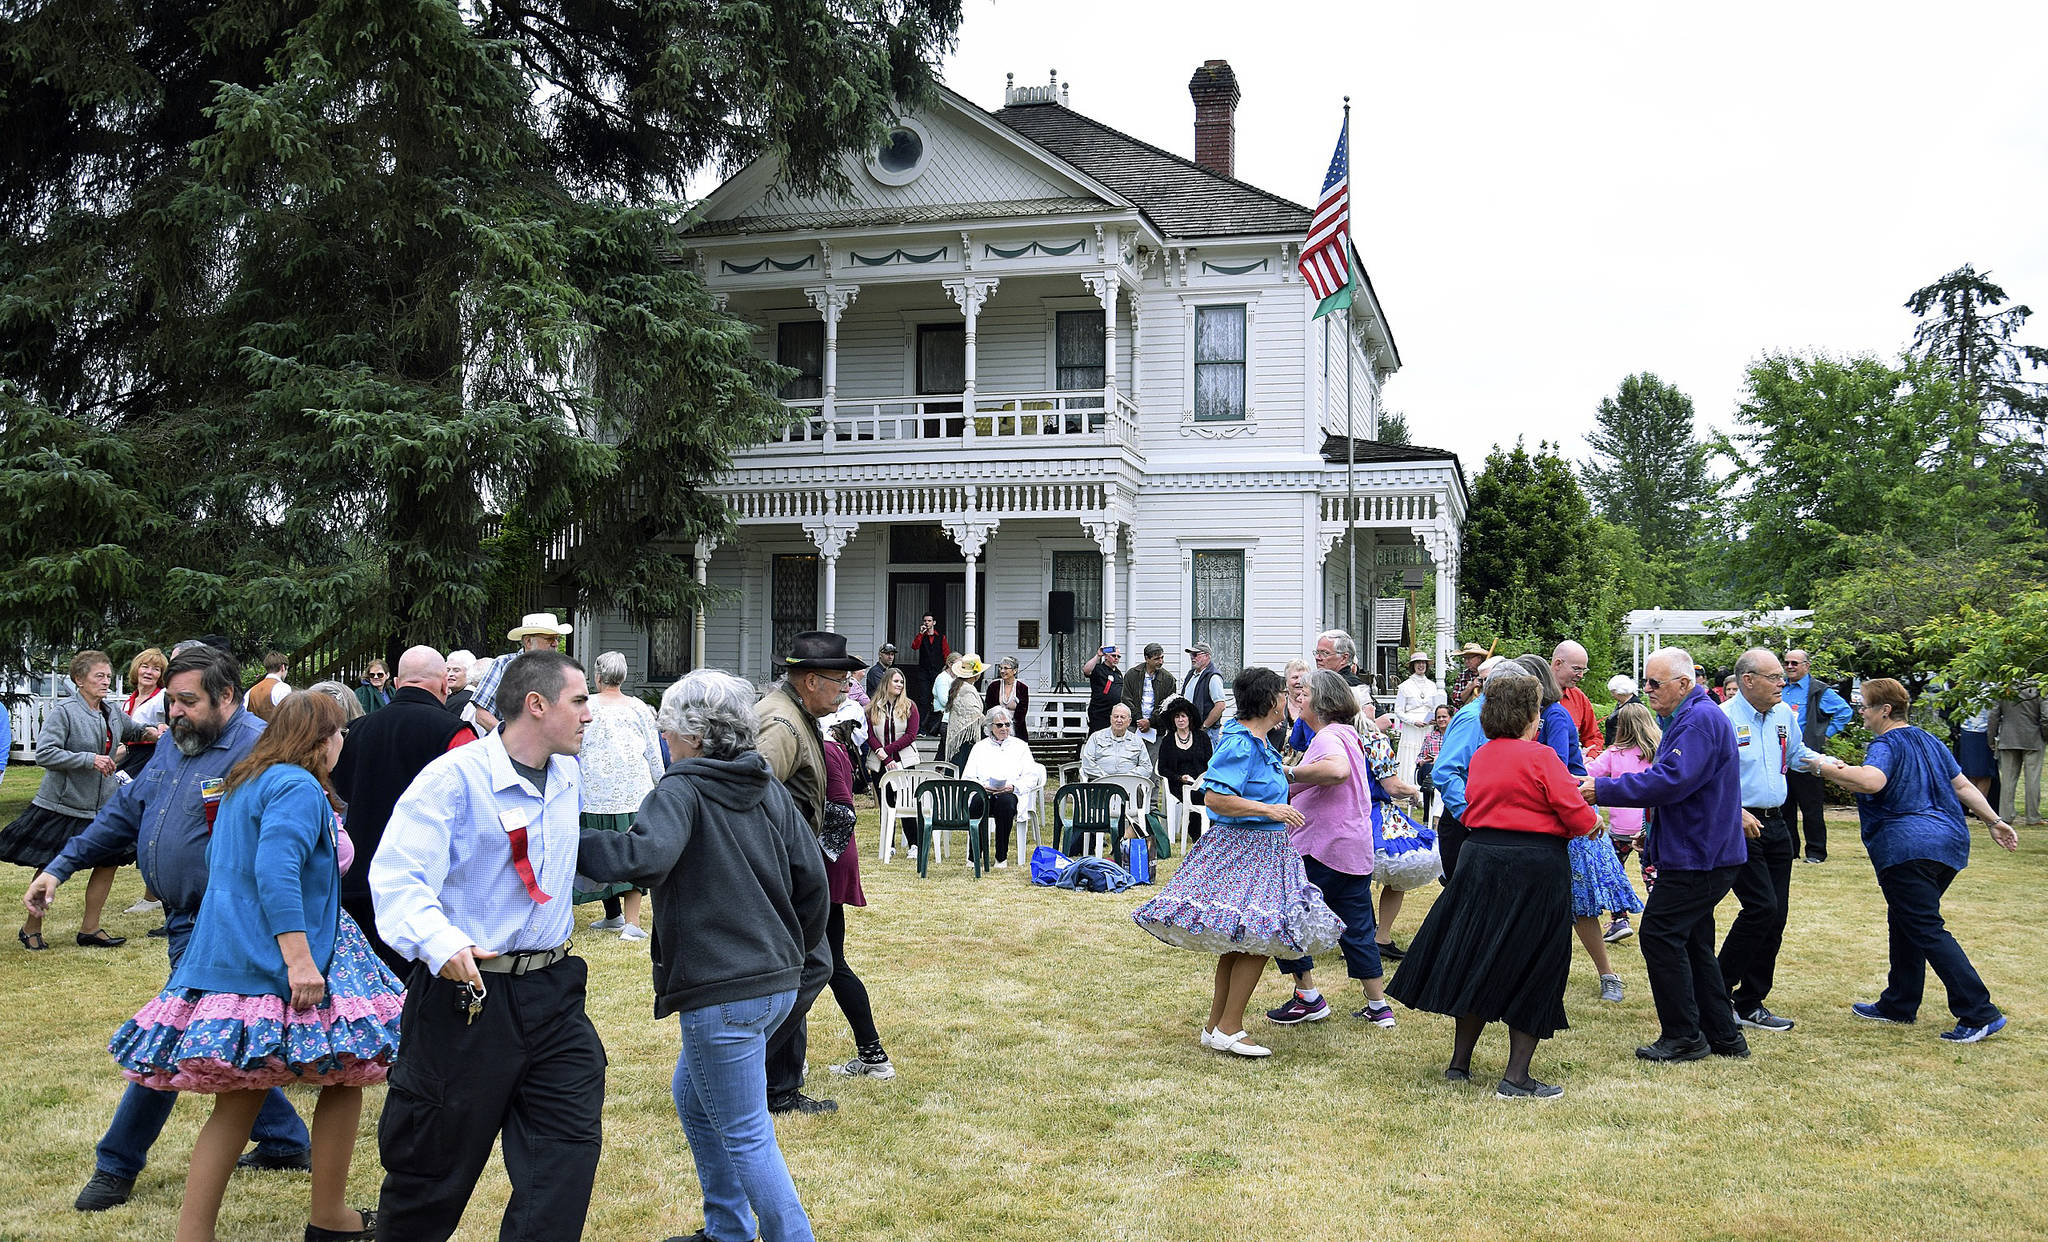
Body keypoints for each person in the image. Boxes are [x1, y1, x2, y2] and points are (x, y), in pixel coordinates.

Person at [26, 645, 315, 1213]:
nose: (174, 712)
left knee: (172, 1037)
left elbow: (299, 843)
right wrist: (58, 867)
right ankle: (284, 1141)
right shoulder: (173, 746)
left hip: (230, 926)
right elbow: (123, 813)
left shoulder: (263, 751)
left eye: (188, 701)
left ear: (227, 697)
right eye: (170, 702)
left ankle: (116, 1164)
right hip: (184, 920)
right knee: (219, 1037)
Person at [108, 690, 400, 1242]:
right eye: (340, 734)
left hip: (234, 952)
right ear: (322, 740)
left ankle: (195, 1235)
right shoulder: (295, 785)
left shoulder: (247, 782)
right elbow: (275, 873)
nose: (343, 744)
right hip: (291, 955)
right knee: (345, 1075)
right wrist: (299, 963)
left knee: (241, 1099)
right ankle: (330, 1218)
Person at [575, 668, 829, 1242]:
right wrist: (792, 947)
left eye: (668, 729)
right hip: (773, 984)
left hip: (726, 991)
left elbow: (644, 858)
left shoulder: (681, 788)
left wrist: (562, 837)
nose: (664, 738)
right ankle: (728, 1230)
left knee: (745, 1131)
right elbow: (812, 877)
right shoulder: (762, 783)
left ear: (692, 733)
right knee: (693, 1099)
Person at [371, 649, 604, 1241]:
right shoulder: (453, 778)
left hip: (553, 993)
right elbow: (398, 876)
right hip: (467, 999)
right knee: (432, 1172)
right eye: (578, 701)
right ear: (536, 704)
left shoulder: (569, 772)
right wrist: (438, 942)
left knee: (564, 1158)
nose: (589, 715)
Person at [1386, 667, 1597, 1099]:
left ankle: (1459, 1064)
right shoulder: (1542, 758)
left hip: (1481, 858)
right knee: (1536, 962)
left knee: (1479, 954)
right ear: (1529, 716)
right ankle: (1515, 1077)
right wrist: (1592, 822)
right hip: (1534, 866)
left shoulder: (1482, 756)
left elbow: (1472, 799)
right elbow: (1577, 816)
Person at [1131, 667, 1343, 1059]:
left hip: (1263, 850)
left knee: (1243, 938)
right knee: (1259, 939)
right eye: (1282, 693)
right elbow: (1214, 797)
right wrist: (1270, 810)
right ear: (1269, 702)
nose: (1287, 699)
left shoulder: (1259, 742)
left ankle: (1217, 1027)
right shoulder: (1241, 744)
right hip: (1246, 850)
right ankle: (1230, 1027)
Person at [1813, 678, 2020, 1042]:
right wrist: (1995, 821)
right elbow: (1963, 786)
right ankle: (1899, 1003)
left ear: (1885, 710)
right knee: (1906, 919)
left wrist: (1822, 767)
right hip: (1949, 845)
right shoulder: (1930, 740)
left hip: (1907, 848)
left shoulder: (1886, 744)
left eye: (1864, 704)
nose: (1861, 711)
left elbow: (1872, 782)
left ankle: (1978, 1012)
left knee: (1924, 926)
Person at [1583, 646, 1749, 1063]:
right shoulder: (1691, 717)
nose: (1647, 689)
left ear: (1684, 684)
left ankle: (1684, 1036)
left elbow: (1671, 780)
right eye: (1646, 681)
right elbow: (1681, 785)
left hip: (1700, 856)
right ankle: (1724, 1036)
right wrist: (1654, 834)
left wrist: (1601, 789)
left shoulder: (1698, 721)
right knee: (1692, 941)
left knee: (1659, 935)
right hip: (1701, 850)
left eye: (1655, 683)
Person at [756, 630, 866, 1117]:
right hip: (778, 873)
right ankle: (738, 1065)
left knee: (797, 971)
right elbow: (748, 791)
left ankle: (779, 1090)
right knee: (812, 967)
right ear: (808, 679)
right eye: (838, 680)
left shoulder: (797, 715)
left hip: (792, 871)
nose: (845, 688)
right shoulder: (780, 724)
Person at [329, 646, 475, 972]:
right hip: (422, 888)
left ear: (396, 682)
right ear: (443, 686)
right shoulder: (456, 733)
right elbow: (472, 810)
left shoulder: (355, 731)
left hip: (358, 879)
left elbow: (337, 797)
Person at [1267, 670, 1399, 1029]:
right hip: (1353, 850)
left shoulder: (1328, 738)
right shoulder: (1349, 734)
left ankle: (1307, 997)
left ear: (1321, 702)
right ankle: (1378, 1007)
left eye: (1304, 693)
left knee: (1285, 917)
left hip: (1321, 848)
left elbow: (1337, 771)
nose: (1298, 698)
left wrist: (1289, 774)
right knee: (1357, 927)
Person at [3, 649, 154, 950]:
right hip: (64, 805)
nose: (106, 682)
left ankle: (90, 928)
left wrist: (156, 731)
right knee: (51, 864)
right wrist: (90, 759)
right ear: (79, 679)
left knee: (109, 861)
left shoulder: (111, 711)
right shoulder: (65, 712)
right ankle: (31, 927)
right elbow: (45, 753)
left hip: (103, 806)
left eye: (108, 676)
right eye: (99, 676)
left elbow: (136, 730)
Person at [1712, 647, 1825, 1035]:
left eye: (1783, 676)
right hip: (1739, 824)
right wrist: (1732, 811)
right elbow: (1708, 778)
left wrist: (1830, 766)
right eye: (1775, 676)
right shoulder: (1722, 719)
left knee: (1776, 916)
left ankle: (1751, 1001)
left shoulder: (1782, 715)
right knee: (1760, 907)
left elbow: (1796, 756)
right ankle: (1717, 991)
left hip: (1778, 825)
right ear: (1748, 681)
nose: (1783, 682)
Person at [1519, 654, 1636, 1004]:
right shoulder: (1535, 717)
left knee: (1581, 906)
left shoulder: (1554, 715)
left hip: (1569, 819)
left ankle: (1608, 975)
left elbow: (1550, 768)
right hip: (1544, 818)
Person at [576, 651, 664, 941]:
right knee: (630, 853)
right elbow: (652, 749)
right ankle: (624, 920)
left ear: (597, 676)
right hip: (632, 790)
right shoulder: (639, 707)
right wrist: (661, 781)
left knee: (599, 851)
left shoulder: (584, 705)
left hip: (594, 790)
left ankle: (620, 917)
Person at [1586, 702, 1659, 943]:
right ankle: (1659, 915)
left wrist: (1582, 759)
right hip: (1647, 826)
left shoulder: (1615, 753)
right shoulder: (1658, 753)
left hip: (1620, 829)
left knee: (1614, 873)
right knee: (1651, 873)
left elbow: (1591, 774)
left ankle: (1620, 919)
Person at [1429, 655, 1503, 883]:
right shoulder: (1473, 718)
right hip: (1465, 822)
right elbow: (1444, 771)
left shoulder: (1497, 718)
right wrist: (1469, 816)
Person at [1782, 648, 1853, 862]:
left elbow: (1844, 711)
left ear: (1806, 666)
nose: (1790, 667)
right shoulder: (1780, 687)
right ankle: (1789, 851)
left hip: (1806, 757)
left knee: (1811, 807)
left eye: (1795, 663)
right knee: (1784, 808)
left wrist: (1824, 735)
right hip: (1781, 757)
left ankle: (1815, 852)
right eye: (1787, 663)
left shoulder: (1818, 690)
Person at [469, 610, 574, 733]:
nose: (555, 644)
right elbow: (482, 715)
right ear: (528, 641)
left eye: (557, 638)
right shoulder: (503, 664)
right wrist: (510, 737)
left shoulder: (562, 671)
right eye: (549, 638)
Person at [962, 706, 1040, 867]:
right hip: (985, 790)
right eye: (999, 725)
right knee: (977, 803)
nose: (1004, 728)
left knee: (1006, 803)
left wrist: (1013, 786)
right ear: (990, 727)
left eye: (1007, 724)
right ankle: (975, 854)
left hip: (1010, 791)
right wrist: (982, 786)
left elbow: (1032, 776)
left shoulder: (1020, 746)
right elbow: (968, 777)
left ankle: (1001, 856)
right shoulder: (979, 747)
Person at [1154, 697, 1212, 845]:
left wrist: (1201, 779)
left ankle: (1207, 834)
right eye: (1177, 717)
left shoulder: (1202, 737)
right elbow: (1162, 769)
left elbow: (1210, 763)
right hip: (1177, 784)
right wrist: (1179, 778)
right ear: (1173, 720)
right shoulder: (1167, 741)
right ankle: (1198, 836)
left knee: (1206, 794)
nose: (1180, 720)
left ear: (1189, 718)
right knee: (1194, 795)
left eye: (1183, 716)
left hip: (1200, 782)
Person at [1985, 686, 2044, 827]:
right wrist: (2044, 736)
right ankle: (2033, 817)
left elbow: (1993, 715)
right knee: (2033, 779)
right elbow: (2046, 716)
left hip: (2008, 738)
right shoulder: (2039, 688)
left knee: (2007, 780)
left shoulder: (2005, 688)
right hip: (2033, 738)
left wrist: (1991, 738)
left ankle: (2005, 816)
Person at [118, 647, 170, 777]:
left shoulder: (164, 697)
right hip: (130, 758)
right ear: (137, 669)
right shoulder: (128, 702)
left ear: (161, 675)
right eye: (145, 667)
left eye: (156, 669)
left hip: (152, 761)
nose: (149, 672)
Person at [1393, 651, 1442, 787]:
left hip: (1427, 726)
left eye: (1423, 663)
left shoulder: (1432, 685)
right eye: (1418, 663)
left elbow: (1435, 706)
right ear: (1413, 666)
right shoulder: (1405, 686)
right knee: (1412, 753)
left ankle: (1427, 783)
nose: (1421, 665)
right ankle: (1409, 784)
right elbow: (1398, 710)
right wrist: (1413, 721)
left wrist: (1434, 719)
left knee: (1428, 753)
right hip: (1412, 728)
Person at [864, 668, 921, 778]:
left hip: (904, 762)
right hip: (879, 763)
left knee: (904, 795)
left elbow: (910, 735)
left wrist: (885, 751)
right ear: (886, 682)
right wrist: (885, 758)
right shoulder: (872, 707)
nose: (900, 685)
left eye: (902, 682)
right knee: (882, 795)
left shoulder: (910, 706)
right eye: (896, 681)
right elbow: (870, 735)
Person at [1551, 640, 1603, 759]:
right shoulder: (1532, 694)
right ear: (1558, 664)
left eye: (1583, 670)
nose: (1580, 675)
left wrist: (1591, 756)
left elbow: (1593, 737)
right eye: (1576, 669)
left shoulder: (1579, 698)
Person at [1079, 703, 1153, 783]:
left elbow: (1147, 767)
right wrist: (1105, 777)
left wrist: (1128, 777)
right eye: (1116, 716)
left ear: (1129, 721)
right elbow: (1087, 763)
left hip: (1129, 784)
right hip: (1100, 784)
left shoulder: (1137, 740)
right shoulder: (1096, 737)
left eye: (1123, 717)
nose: (1119, 720)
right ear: (1111, 719)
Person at [1123, 643, 1177, 744]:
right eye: (1156, 659)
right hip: (1133, 726)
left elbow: (1168, 705)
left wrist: (1150, 721)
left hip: (1156, 729)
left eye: (1162, 658)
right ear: (1146, 658)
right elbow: (1126, 699)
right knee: (1131, 758)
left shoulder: (1168, 679)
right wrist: (1139, 720)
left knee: (1150, 759)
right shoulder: (1132, 674)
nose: (1161, 662)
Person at [944, 653, 987, 771]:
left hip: (966, 740)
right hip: (966, 742)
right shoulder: (966, 689)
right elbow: (975, 714)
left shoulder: (962, 686)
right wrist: (990, 722)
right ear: (976, 674)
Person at [910, 614, 950, 736]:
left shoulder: (941, 637)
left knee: (937, 699)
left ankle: (936, 728)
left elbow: (946, 653)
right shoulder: (921, 636)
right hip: (924, 672)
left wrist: (947, 669)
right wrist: (921, 633)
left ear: (934, 622)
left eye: (929, 621)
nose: (927, 623)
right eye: (925, 621)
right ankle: (921, 729)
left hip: (937, 672)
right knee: (923, 700)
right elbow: (914, 646)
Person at [1184, 642, 1231, 746]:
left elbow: (1220, 706)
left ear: (1207, 656)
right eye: (1191, 655)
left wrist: (1204, 727)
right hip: (1190, 730)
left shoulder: (1213, 677)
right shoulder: (1191, 674)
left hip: (1207, 733)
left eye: (1195, 654)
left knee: (1207, 762)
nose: (1192, 658)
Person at [1414, 704, 1451, 825]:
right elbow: (1419, 757)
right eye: (1438, 717)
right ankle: (1429, 819)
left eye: (1444, 716)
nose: (1441, 719)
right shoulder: (1430, 736)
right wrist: (1423, 761)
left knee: (1440, 770)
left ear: (1451, 718)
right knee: (1430, 770)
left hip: (1448, 769)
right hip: (1429, 769)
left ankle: (1431, 819)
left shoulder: (1455, 736)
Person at [984, 655, 1033, 744]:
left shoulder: (1022, 688)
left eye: (1006, 668)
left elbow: (1022, 712)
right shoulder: (993, 686)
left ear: (1014, 670)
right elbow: (989, 708)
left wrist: (1009, 727)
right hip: (996, 728)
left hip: (1016, 729)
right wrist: (999, 726)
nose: (1002, 671)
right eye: (1001, 668)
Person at [1080, 643, 1124, 734]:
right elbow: (1086, 670)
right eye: (1113, 655)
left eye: (1118, 656)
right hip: (1099, 712)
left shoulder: (1118, 673)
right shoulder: (1098, 669)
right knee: (1097, 737)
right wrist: (1098, 656)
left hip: (1113, 713)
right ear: (1106, 657)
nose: (1116, 658)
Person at [246, 651, 293, 722]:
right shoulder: (283, 688)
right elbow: (289, 717)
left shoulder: (250, 691)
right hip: (276, 732)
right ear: (283, 667)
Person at [1601, 675, 1639, 748]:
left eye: (1613, 692)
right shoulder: (1621, 703)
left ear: (1621, 691)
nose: (1611, 695)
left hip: (1624, 749)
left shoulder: (1634, 707)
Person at [1448, 641, 1490, 709]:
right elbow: (1456, 701)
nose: (1467, 661)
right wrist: (1471, 687)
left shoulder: (1488, 673)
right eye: (1465, 658)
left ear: (1479, 658)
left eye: (1469, 658)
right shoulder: (1463, 676)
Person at [440, 651, 478, 725]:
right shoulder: (451, 696)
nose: (450, 674)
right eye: (447, 670)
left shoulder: (468, 699)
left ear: (469, 673)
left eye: (456, 670)